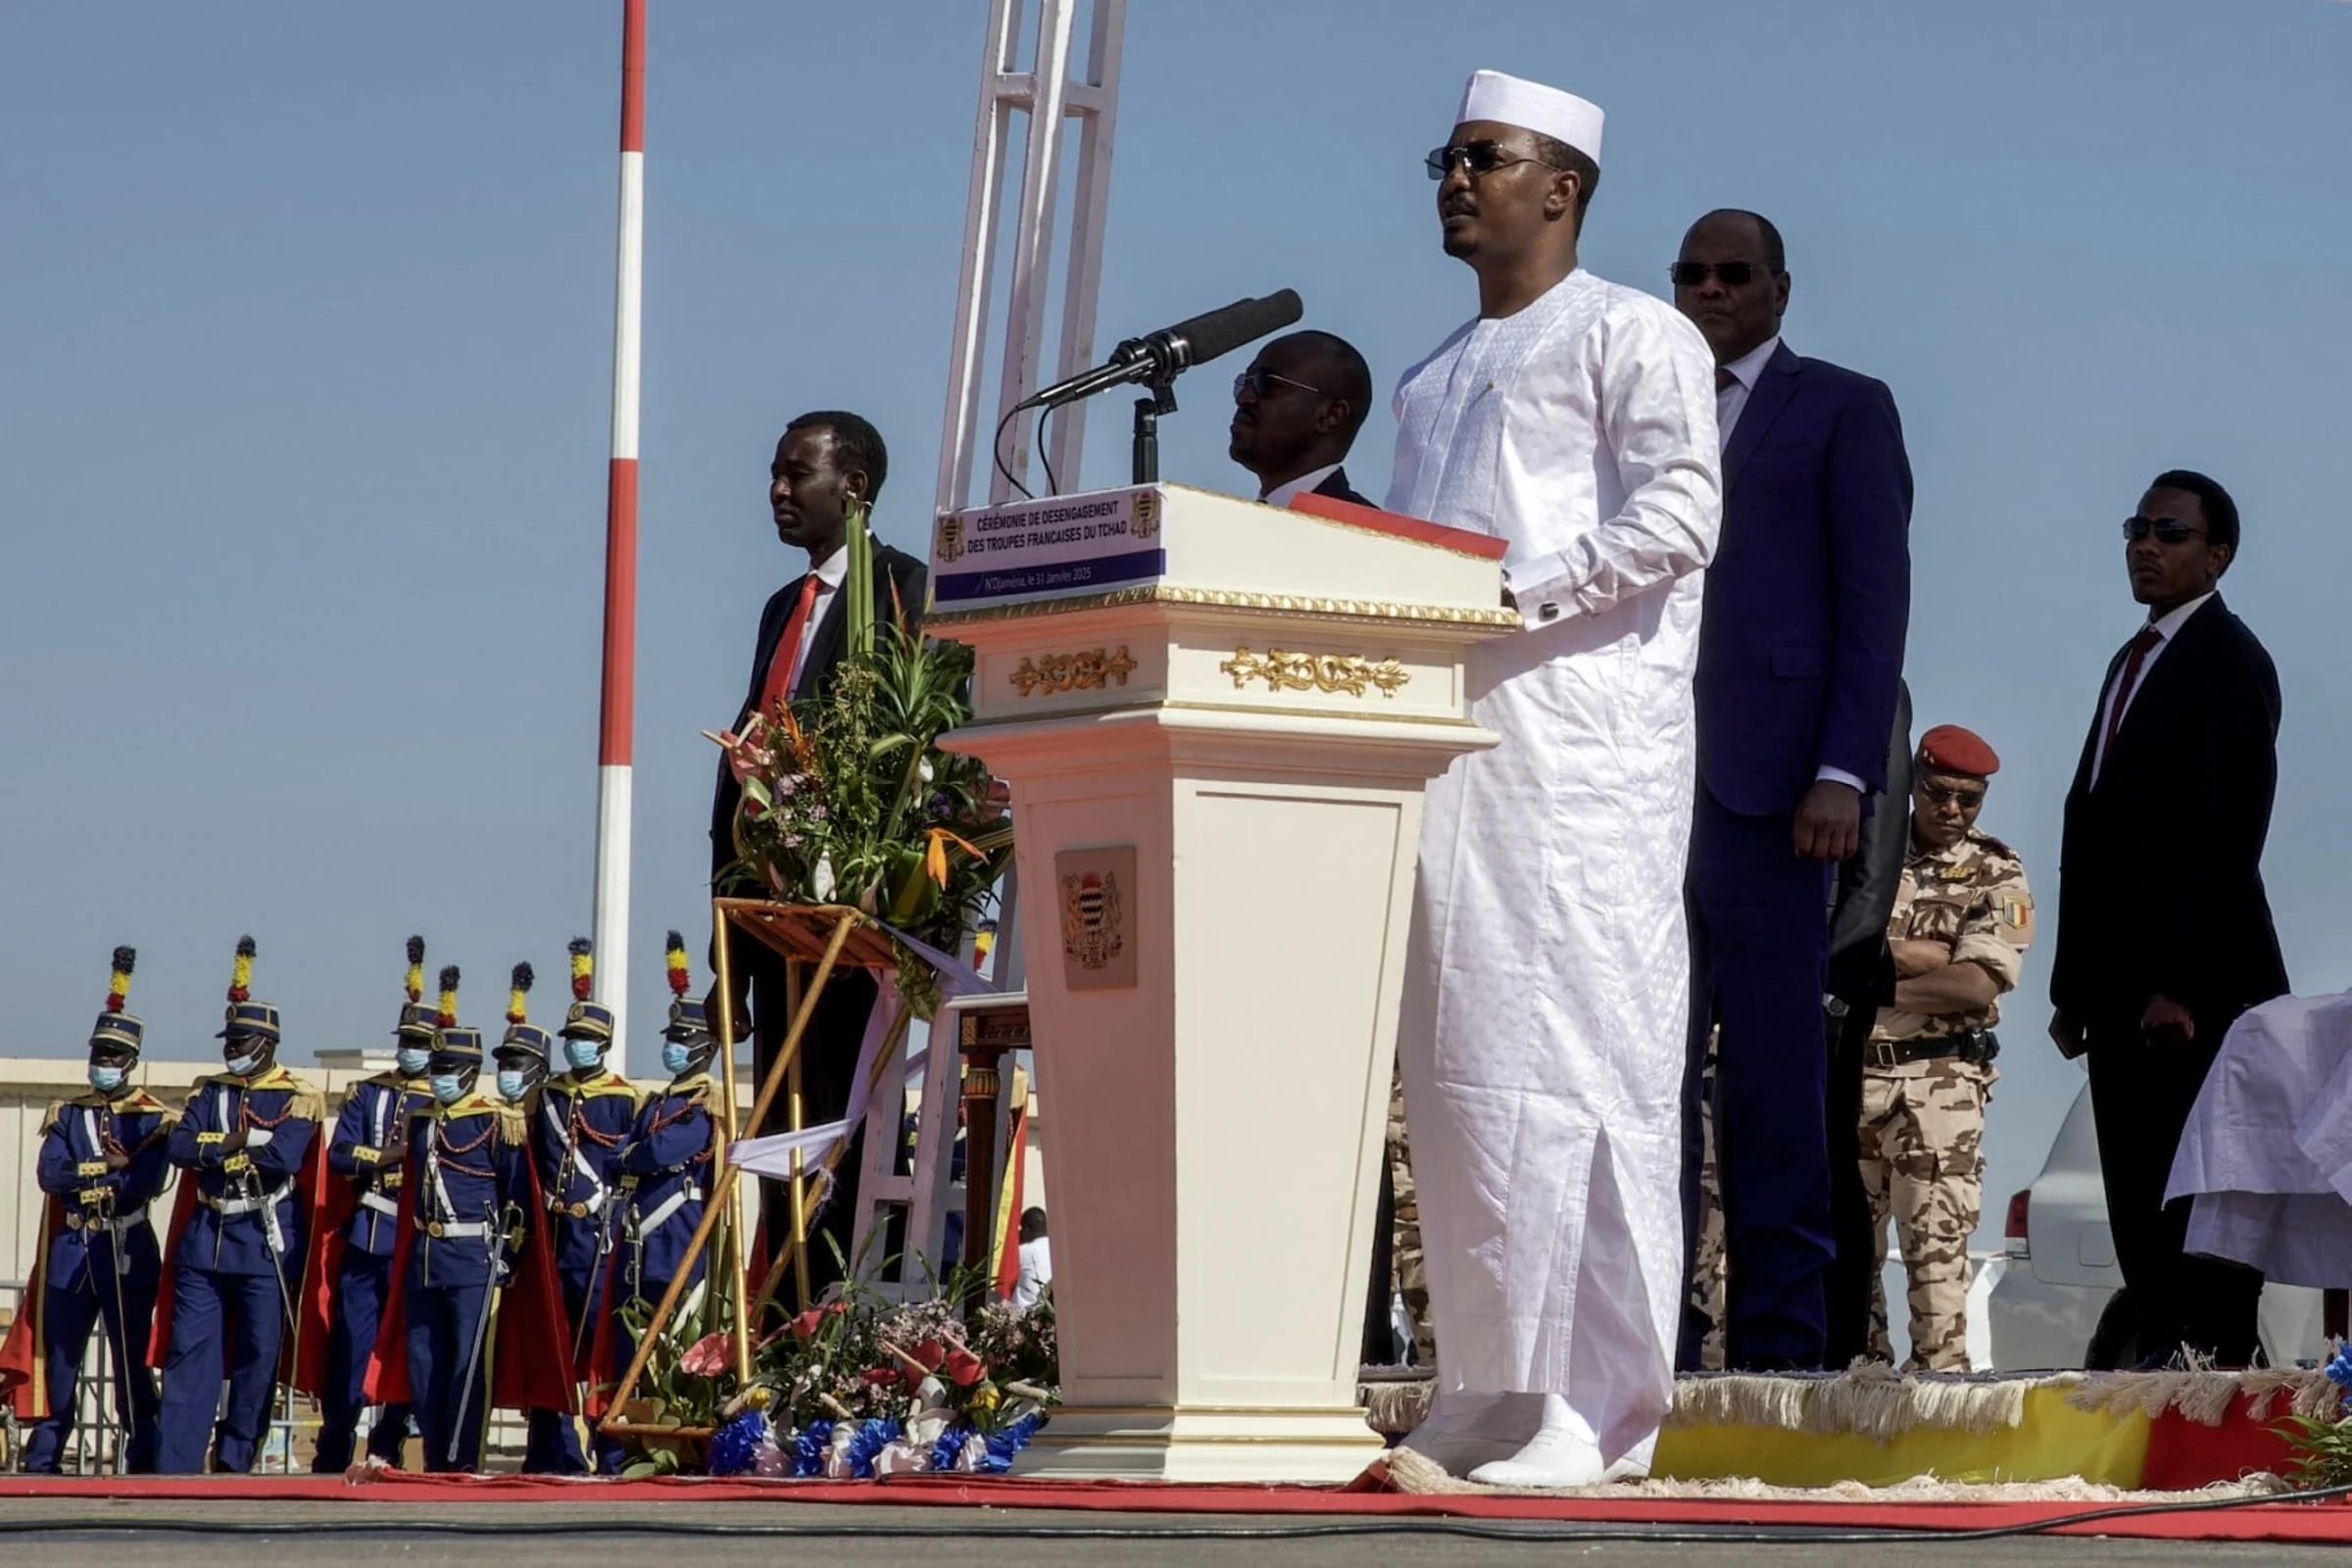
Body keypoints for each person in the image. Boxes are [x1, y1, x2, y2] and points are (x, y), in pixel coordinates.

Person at [1388, 71, 1721, 1487]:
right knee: (1462, 1075)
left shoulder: (1635, 333)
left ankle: (1594, 1409)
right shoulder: (1429, 377)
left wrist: (1516, 592)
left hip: (1583, 761)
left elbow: (1683, 511)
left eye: (1486, 156)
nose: (1457, 179)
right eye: (1447, 158)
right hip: (1453, 759)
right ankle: (1489, 1390)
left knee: (1583, 1066)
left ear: (1562, 185)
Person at [1671, 209, 1912, 1373]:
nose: (1710, 290)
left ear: (1780, 287)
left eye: (1734, 272)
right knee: (1642, 1072)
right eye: (1691, 274)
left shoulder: (1843, 406)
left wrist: (1842, 771)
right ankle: (1652, 1330)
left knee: (1773, 1078)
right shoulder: (1643, 406)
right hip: (1643, 780)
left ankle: (1782, 1346)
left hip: (1774, 794)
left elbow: (1875, 602)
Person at [2049, 469, 2286, 1366]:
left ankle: (2211, 1395)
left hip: (2193, 1000)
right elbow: (2091, 828)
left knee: (2198, 1227)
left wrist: (2181, 984)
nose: (2146, 545)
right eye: (2137, 528)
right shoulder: (2132, 659)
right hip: (2118, 996)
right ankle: (2161, 1392)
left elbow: (2229, 835)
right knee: (2140, 1216)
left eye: (2170, 533)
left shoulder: (2230, 660)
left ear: (2216, 556)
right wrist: (2073, 989)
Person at [708, 410, 927, 1301]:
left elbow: (918, 751)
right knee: (776, 1144)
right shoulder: (781, 609)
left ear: (855, 486)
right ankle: (778, 1321)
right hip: (772, 928)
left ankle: (835, 1322)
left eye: (797, 474)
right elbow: (747, 776)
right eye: (774, 472)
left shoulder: (905, 591)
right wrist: (727, 951)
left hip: (855, 929)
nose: (777, 491)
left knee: (843, 1141)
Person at [1858, 724, 2032, 1371]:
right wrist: (1919, 956)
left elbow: (1975, 983)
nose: (1953, 810)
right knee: (1845, 1279)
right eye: (1939, 793)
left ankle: (1936, 1404)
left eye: (1969, 798)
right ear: (1914, 783)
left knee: (1938, 1281)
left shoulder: (1996, 869)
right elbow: (1823, 947)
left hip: (1939, 1092)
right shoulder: (1867, 851)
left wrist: (1869, 979)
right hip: (1850, 1080)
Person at [153, 937, 325, 1474]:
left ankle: (234, 1458)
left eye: (241, 1040)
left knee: (257, 1357)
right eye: (229, 1040)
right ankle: (175, 1465)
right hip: (206, 1238)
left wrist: (222, 1149)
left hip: (262, 1241)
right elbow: (181, 1147)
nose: (232, 1048)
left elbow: (283, 1158)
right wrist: (235, 1143)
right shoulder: (211, 1092)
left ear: (267, 1043)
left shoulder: (296, 1094)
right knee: (189, 1355)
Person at [0, 948, 174, 1472]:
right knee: (61, 1361)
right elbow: (51, 1174)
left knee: (130, 1362)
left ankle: (142, 1455)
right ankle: (45, 1455)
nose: (103, 1063)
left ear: (130, 1062)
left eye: (113, 1056)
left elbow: (144, 1182)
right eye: (99, 1053)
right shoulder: (68, 1113)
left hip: (124, 1248)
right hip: (73, 1249)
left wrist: (103, 1174)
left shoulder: (151, 1120)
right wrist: (103, 1167)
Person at [364, 1021, 529, 1472]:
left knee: (467, 1369)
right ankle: (436, 1460)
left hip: (474, 1259)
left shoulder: (497, 1121)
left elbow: (516, 1198)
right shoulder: (421, 1119)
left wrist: (509, 1256)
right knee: (424, 1367)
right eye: (436, 1068)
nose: (438, 1077)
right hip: (426, 1259)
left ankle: (463, 1462)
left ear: (471, 1073)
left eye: (448, 1069)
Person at [310, 941, 435, 1472]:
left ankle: (387, 1444)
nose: (411, 1051)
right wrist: (386, 1156)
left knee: (405, 1352)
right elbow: (342, 1154)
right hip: (369, 1234)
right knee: (351, 1350)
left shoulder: (442, 1100)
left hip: (417, 1240)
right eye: (406, 1041)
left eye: (420, 1044)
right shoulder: (369, 1094)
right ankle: (333, 1449)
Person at [1821, 686, 1914, 1365]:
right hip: (1757, 970)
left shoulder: (1873, 688)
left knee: (1826, 1166)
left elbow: (1874, 867)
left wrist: (1834, 989)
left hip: (1827, 979)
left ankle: (1836, 1352)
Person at [522, 938, 639, 1475]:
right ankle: (552, 1449)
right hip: (555, 1235)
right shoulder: (548, 1096)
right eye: (572, 1039)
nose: (577, 1047)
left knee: (599, 1349)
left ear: (605, 1044)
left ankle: (609, 1448)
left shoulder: (623, 1099)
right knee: (551, 1345)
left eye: (587, 1040)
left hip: (600, 1236)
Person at [614, 998, 719, 1332]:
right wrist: (631, 1156)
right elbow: (616, 1155)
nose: (672, 1047)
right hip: (638, 1233)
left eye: (682, 1040)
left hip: (676, 1233)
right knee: (629, 1332)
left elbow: (661, 1152)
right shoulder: (657, 1102)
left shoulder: (705, 1103)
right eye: (671, 1038)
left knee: (672, 1329)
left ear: (707, 1047)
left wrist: (632, 1156)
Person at [1228, 330, 1376, 507]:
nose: (1244, 398)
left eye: (1267, 383)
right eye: (1245, 382)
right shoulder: (1230, 520)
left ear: (1330, 415)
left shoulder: (1356, 523)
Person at [1011, 1207, 1052, 1310]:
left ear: (1027, 1230)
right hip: (1049, 1311)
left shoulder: (1023, 1251)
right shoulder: (1057, 1249)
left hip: (1024, 1312)